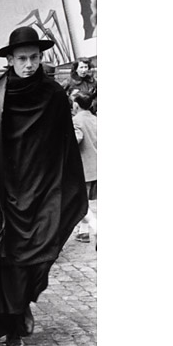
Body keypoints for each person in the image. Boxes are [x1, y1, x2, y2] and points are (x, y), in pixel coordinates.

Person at [0, 26, 89, 346]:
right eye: (22, 59)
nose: (29, 64)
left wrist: (62, 187)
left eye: (34, 58)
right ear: (10, 59)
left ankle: (21, 306)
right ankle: (12, 328)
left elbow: (64, 145)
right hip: (4, 194)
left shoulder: (52, 95)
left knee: (35, 259)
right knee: (6, 262)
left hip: (42, 192)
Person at [71, 90, 97, 244]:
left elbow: (77, 138)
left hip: (84, 168)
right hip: (96, 167)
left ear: (76, 105)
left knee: (80, 201)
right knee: (84, 201)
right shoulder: (95, 119)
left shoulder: (76, 120)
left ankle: (94, 227)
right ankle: (83, 231)